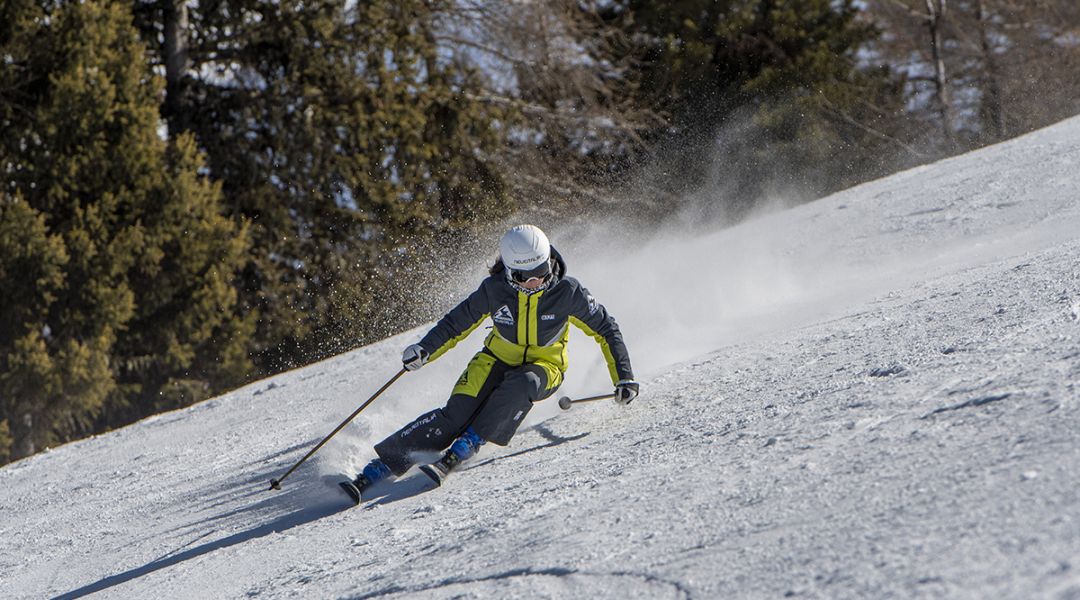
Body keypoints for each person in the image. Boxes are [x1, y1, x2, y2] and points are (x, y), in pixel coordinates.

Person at [341, 224, 638, 502]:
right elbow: (457, 322)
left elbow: (606, 328)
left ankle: (469, 443)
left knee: (523, 384)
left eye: (542, 270)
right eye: (525, 277)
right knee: (454, 416)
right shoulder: (495, 290)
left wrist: (624, 377)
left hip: (545, 366)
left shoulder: (567, 292)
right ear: (510, 272)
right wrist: (425, 350)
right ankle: (379, 468)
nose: (535, 281)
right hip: (495, 358)